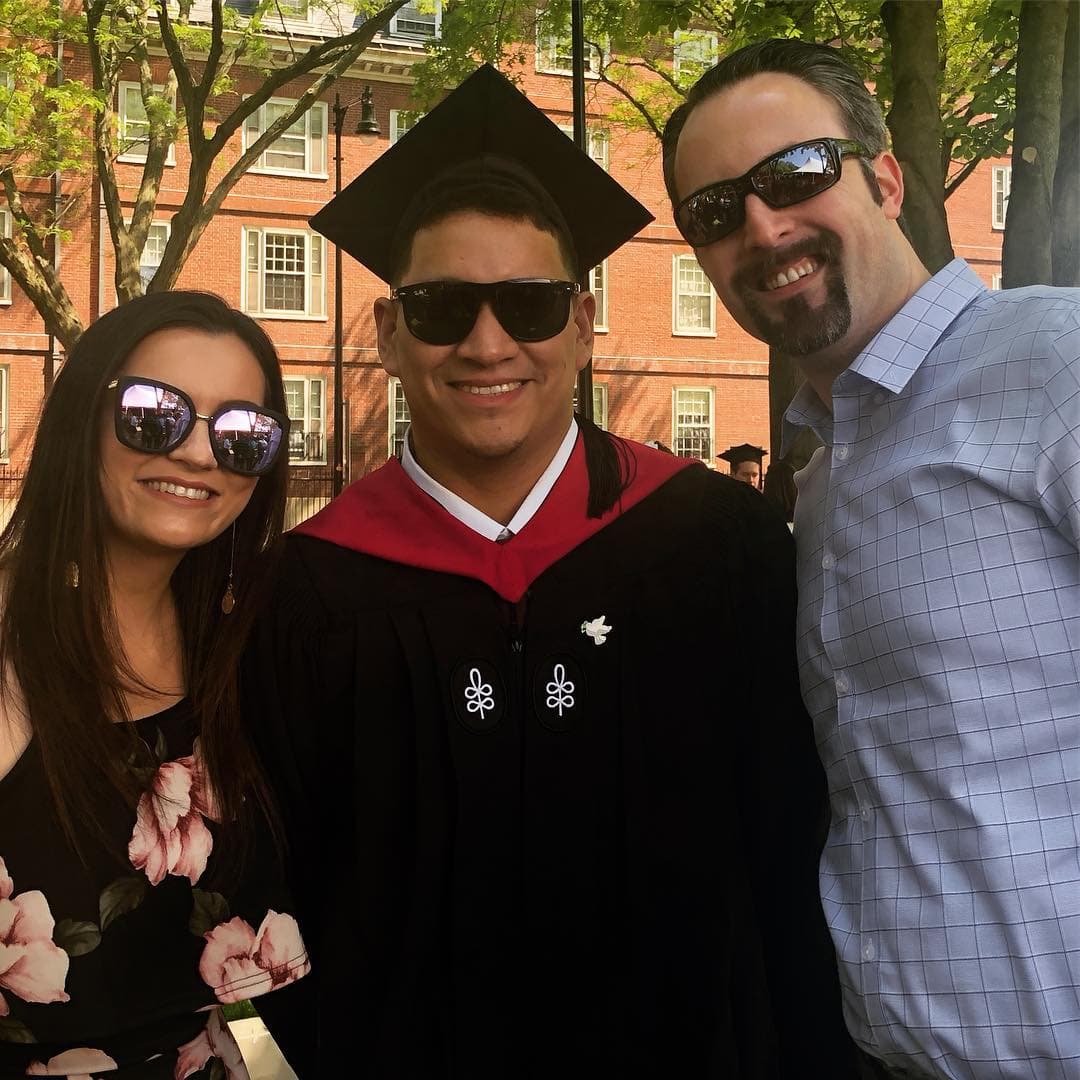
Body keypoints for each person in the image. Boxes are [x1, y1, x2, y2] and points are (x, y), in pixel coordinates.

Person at [248, 64, 855, 1077]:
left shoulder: (718, 547)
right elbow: (284, 895)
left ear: (580, 327)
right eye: (441, 307)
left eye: (529, 304)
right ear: (391, 337)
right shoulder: (306, 595)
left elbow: (796, 848)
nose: (487, 343)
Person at [663, 37, 1080, 1079]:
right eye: (716, 211)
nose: (762, 226)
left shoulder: (1056, 365)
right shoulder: (827, 472)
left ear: (886, 177)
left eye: (797, 173)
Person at [0, 292, 308, 1079]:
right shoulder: (9, 639)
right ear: (84, 416)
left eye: (243, 433)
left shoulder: (239, 645)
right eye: (155, 412)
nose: (201, 455)